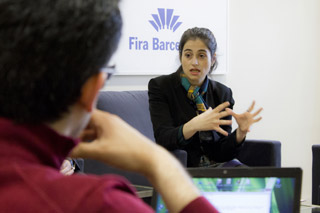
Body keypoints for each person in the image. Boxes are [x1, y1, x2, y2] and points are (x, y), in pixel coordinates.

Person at [0, 1, 218, 212]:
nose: (194, 62)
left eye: (201, 56)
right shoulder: (102, 204)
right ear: (92, 88)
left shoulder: (220, 92)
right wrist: (158, 163)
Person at [148, 27, 263, 167]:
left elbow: (222, 153)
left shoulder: (223, 93)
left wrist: (240, 132)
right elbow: (163, 139)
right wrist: (194, 125)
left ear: (213, 59)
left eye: (201, 56)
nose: (194, 62)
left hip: (216, 169)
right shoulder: (161, 87)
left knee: (247, 176)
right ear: (180, 57)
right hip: (182, 169)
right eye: (188, 55)